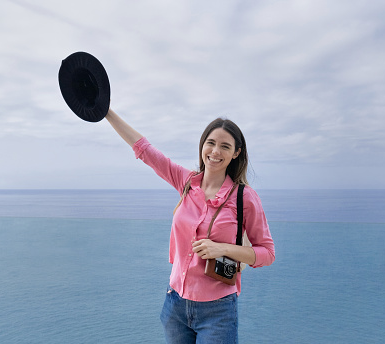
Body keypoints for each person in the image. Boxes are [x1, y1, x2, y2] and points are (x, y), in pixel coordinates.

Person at [105, 107, 275, 344]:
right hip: (175, 306)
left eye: (225, 146)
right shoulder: (186, 182)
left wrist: (222, 249)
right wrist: (105, 111)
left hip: (218, 312)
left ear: (236, 153)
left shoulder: (244, 197)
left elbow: (267, 253)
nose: (215, 151)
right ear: (202, 145)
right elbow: (145, 150)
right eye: (211, 143)